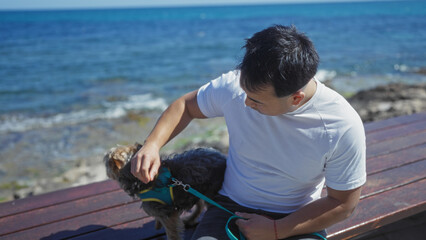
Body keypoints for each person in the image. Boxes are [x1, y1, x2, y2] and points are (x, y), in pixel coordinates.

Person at [131, 25, 366, 240]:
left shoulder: (341, 125)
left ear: (296, 98)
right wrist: (152, 144)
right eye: (244, 92)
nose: (245, 103)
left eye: (256, 101)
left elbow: (343, 204)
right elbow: (185, 106)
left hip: (296, 219)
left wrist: (276, 230)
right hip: (231, 207)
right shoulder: (237, 86)